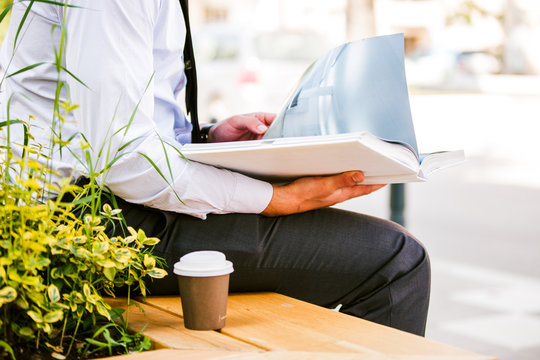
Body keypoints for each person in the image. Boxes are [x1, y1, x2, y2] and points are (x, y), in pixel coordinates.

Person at [0, 0, 430, 336]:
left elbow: (112, 131)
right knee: (396, 261)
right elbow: (124, 158)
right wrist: (277, 199)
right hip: (82, 222)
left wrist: (205, 138)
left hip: (95, 203)